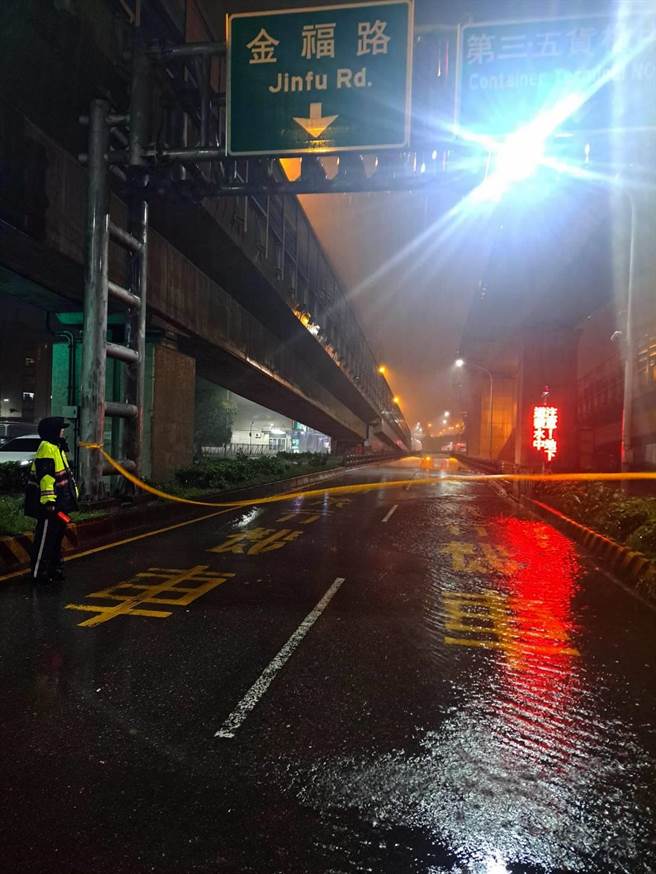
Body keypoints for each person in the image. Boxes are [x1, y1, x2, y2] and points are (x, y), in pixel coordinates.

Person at [25, 417, 78, 584]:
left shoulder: (57, 447)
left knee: (55, 539)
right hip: (50, 505)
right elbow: (46, 478)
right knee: (45, 539)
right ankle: (38, 573)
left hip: (60, 503)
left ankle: (54, 569)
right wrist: (49, 502)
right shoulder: (47, 448)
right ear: (53, 431)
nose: (63, 431)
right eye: (61, 428)